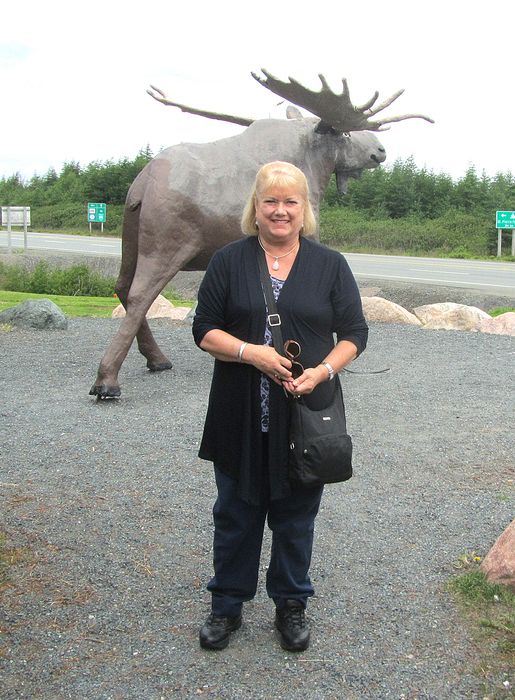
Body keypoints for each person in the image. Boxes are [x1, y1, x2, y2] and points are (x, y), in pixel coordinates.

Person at [192, 161, 368, 652]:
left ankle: (291, 605)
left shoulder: (329, 264)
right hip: (239, 413)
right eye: (270, 200)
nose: (280, 210)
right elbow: (202, 328)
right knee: (235, 514)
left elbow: (355, 332)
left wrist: (323, 371)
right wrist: (251, 352)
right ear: (256, 206)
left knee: (295, 519)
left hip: (305, 417)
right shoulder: (228, 261)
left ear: (304, 209)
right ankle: (226, 605)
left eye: (291, 201)